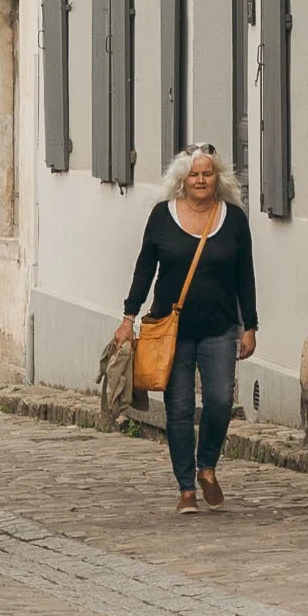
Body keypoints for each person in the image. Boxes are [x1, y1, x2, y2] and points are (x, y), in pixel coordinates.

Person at [116, 143, 258, 512]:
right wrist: (128, 317)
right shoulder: (163, 216)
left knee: (219, 401)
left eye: (207, 174)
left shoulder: (234, 219)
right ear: (182, 179)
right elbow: (144, 268)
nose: (200, 180)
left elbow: (246, 275)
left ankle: (206, 465)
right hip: (171, 330)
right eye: (194, 175)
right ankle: (186, 489)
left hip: (221, 327)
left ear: (218, 178)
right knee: (178, 410)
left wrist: (250, 325)